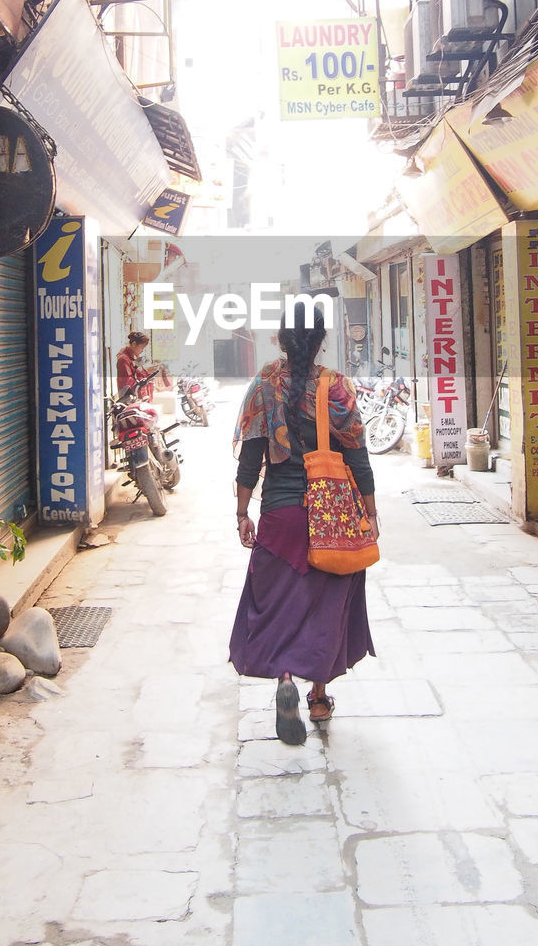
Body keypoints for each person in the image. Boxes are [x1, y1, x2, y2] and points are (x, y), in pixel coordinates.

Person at [229, 303, 378, 745]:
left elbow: (250, 459)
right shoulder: (337, 388)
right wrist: (369, 511)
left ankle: (286, 679)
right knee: (327, 605)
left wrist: (242, 512)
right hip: (332, 513)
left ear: (279, 339)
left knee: (278, 604)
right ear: (319, 342)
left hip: (281, 517)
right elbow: (358, 457)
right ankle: (318, 697)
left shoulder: (263, 387)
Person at [116, 330, 156, 399]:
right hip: (132, 398)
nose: (142, 350)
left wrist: (148, 375)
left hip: (139, 395)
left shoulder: (133, 357)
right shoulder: (124, 359)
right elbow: (127, 382)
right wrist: (144, 380)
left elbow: (138, 373)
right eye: (142, 348)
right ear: (134, 344)